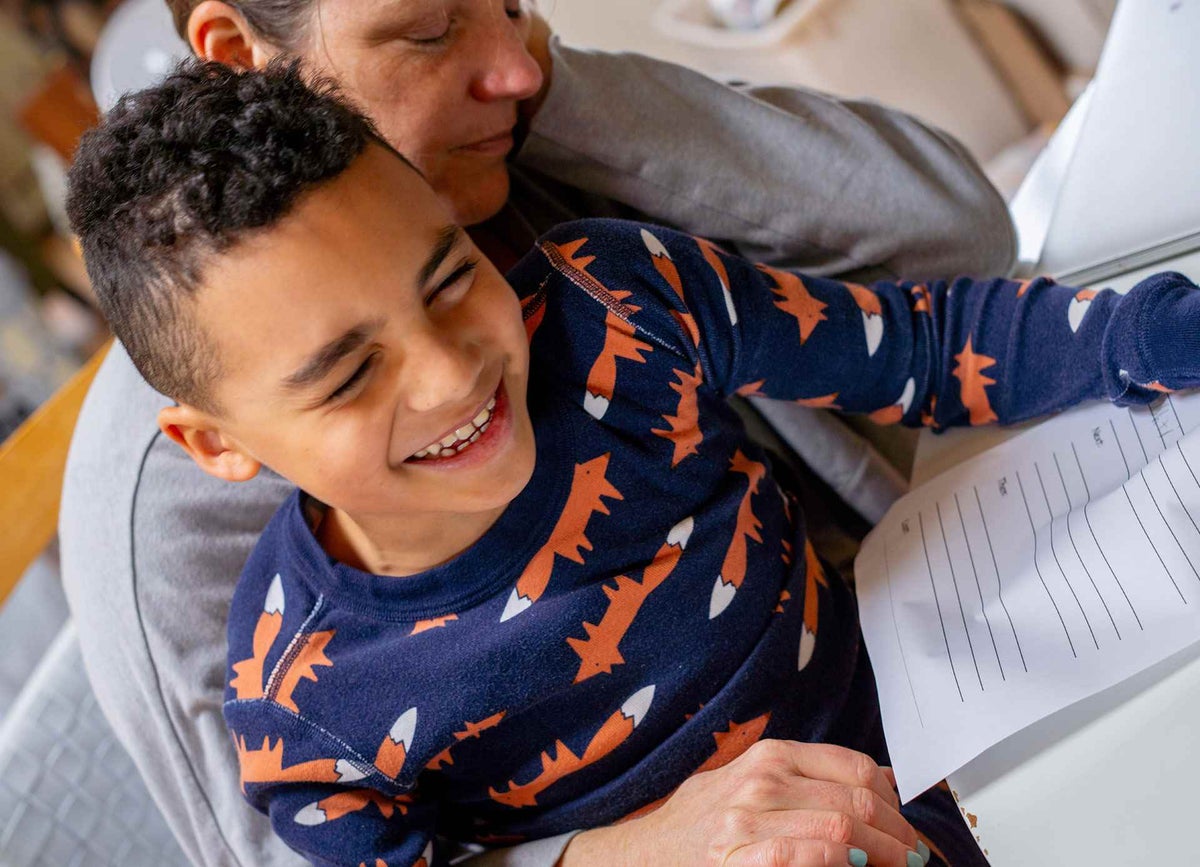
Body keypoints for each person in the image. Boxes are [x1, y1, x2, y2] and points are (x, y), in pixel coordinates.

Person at [66, 60, 1200, 867]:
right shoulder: (302, 707)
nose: (453, 375)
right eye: (347, 373)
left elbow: (911, 345)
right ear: (216, 446)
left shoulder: (618, 299)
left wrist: (1144, 335)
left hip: (961, 738)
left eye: (449, 278)